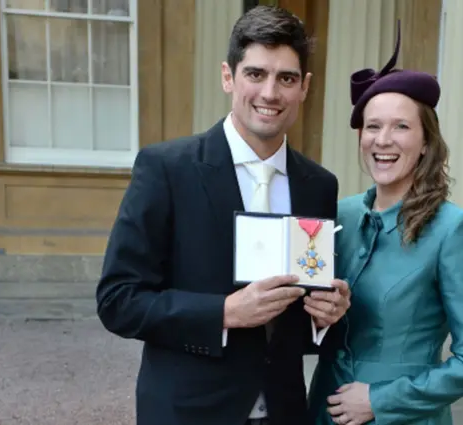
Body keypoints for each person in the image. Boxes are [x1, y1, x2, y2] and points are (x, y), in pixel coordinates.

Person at [96, 6, 351, 425]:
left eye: (286, 78)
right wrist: (224, 313)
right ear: (228, 76)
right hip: (187, 412)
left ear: (304, 87)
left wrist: (326, 317)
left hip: (283, 412)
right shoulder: (167, 169)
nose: (270, 93)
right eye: (255, 73)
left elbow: (301, 320)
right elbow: (118, 300)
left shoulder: (319, 185)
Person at [308, 22, 463, 425]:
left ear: (426, 141)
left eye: (401, 126)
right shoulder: (339, 215)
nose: (383, 140)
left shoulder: (454, 229)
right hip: (321, 412)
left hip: (401, 417)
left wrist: (382, 399)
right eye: (373, 126)